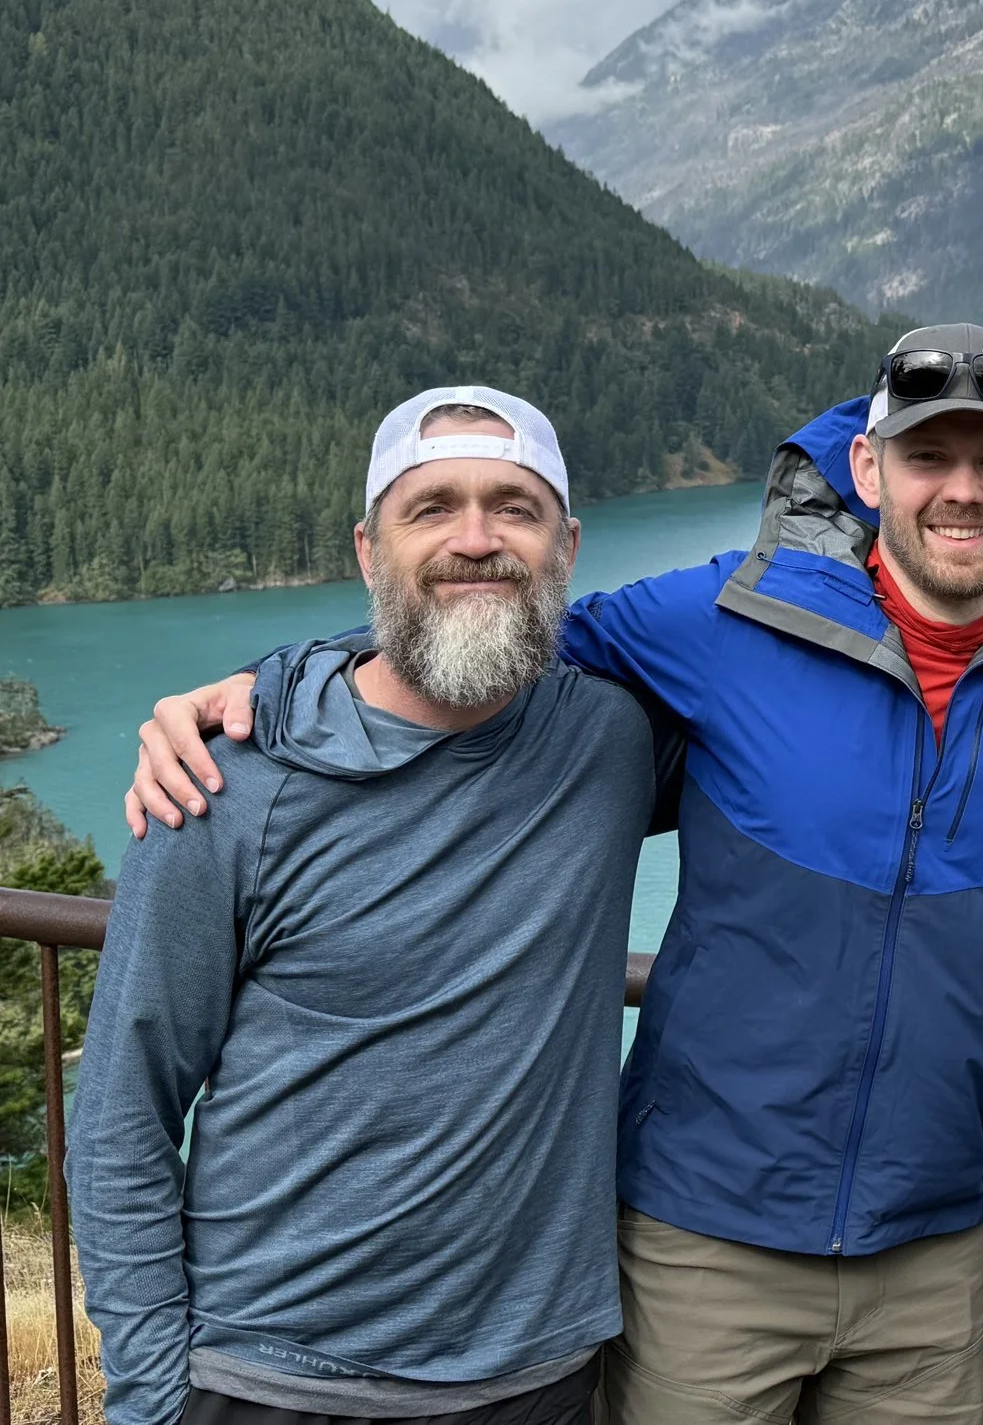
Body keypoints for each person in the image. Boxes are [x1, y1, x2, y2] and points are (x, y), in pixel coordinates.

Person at [126, 327, 983, 1425]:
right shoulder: (719, 620)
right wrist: (273, 682)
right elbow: (480, 626)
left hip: (929, 1260)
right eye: (927, 457)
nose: (960, 492)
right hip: (700, 1245)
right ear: (870, 472)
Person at [74, 388, 656, 1425]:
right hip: (272, 1383)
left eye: (512, 508)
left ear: (565, 545)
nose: (474, 540)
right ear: (367, 550)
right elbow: (122, 1120)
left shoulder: (607, 743)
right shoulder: (224, 784)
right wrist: (154, 1399)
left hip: (536, 1380)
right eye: (430, 508)